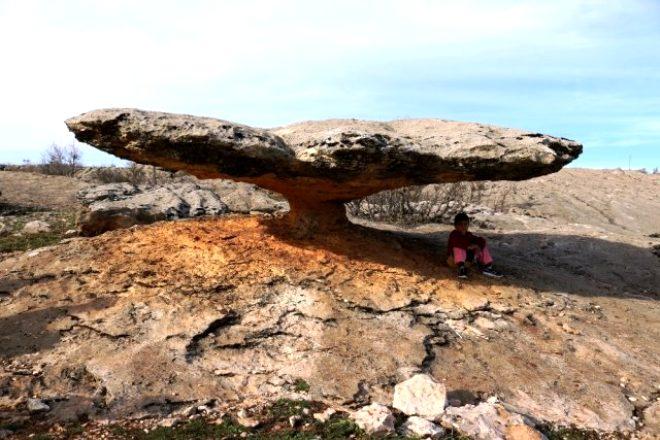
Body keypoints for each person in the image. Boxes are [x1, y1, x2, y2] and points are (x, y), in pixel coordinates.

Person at [447, 212, 503, 279]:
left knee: (481, 246)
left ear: (468, 225)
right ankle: (461, 269)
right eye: (460, 224)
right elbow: (457, 243)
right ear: (455, 226)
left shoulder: (468, 235)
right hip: (454, 261)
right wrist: (469, 246)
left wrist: (477, 246)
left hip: (466, 261)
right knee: (458, 248)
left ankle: (488, 267)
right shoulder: (454, 234)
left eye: (465, 224)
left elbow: (482, 240)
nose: (463, 226)